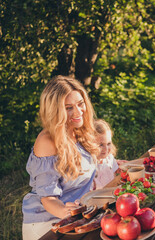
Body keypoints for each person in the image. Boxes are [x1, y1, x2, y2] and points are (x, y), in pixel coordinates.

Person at [22, 76, 99, 240]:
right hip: (48, 223)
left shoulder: (79, 131)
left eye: (80, 103)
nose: (78, 112)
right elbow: (47, 198)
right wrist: (65, 211)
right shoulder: (47, 141)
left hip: (76, 217)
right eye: (69, 107)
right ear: (54, 110)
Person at [92, 119, 127, 190]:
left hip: (113, 193)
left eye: (108, 144)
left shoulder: (109, 158)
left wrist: (120, 168)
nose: (106, 149)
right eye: (101, 145)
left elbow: (114, 177)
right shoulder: (90, 165)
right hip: (98, 198)